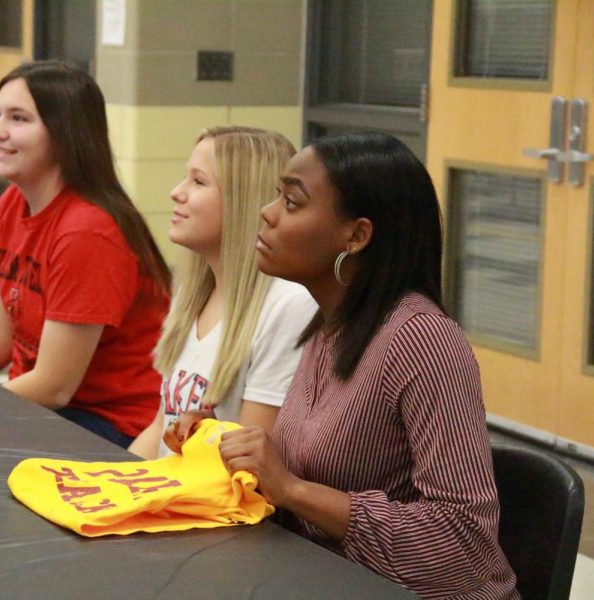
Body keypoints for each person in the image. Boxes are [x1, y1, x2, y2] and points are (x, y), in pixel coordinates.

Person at [172, 132, 518, 598]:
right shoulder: (330, 324)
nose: (267, 212)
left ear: (356, 235)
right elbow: (300, 479)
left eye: (291, 202)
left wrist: (293, 490)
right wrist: (225, 446)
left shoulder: (423, 341)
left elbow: (463, 542)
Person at [0, 61, 170, 449]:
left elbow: (54, 386)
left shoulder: (88, 231)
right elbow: (0, 334)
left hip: (109, 422)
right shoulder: (12, 205)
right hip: (45, 406)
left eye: (19, 119)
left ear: (64, 134)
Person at [128, 126, 317, 459]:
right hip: (168, 494)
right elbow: (160, 429)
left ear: (243, 199)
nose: (176, 192)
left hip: (210, 505)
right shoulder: (193, 294)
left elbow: (245, 465)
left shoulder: (289, 305)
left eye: (198, 182)